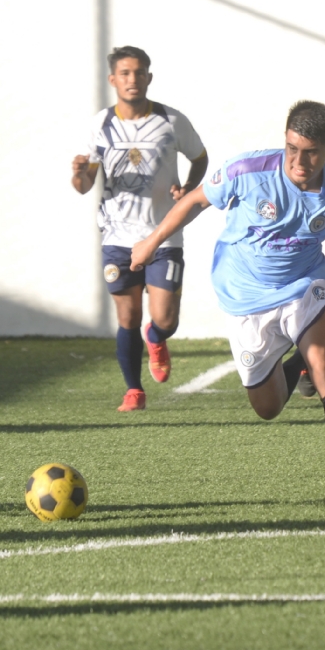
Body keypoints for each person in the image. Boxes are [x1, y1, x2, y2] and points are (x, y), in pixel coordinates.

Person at [131, 101, 325, 503]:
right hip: (243, 296)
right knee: (266, 408)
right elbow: (196, 200)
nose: (299, 161)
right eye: (292, 149)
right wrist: (151, 241)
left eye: (311, 152)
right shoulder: (247, 171)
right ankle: (297, 357)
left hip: (304, 286)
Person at [71, 46, 207, 412]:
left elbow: (200, 158)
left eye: (139, 72)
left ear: (149, 76)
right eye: (125, 73)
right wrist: (80, 173)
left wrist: (189, 189)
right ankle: (134, 390)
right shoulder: (99, 125)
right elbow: (85, 184)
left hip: (163, 234)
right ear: (113, 79)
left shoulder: (172, 121)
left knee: (164, 317)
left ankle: (157, 337)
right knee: (127, 316)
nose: (133, 79)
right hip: (117, 236)